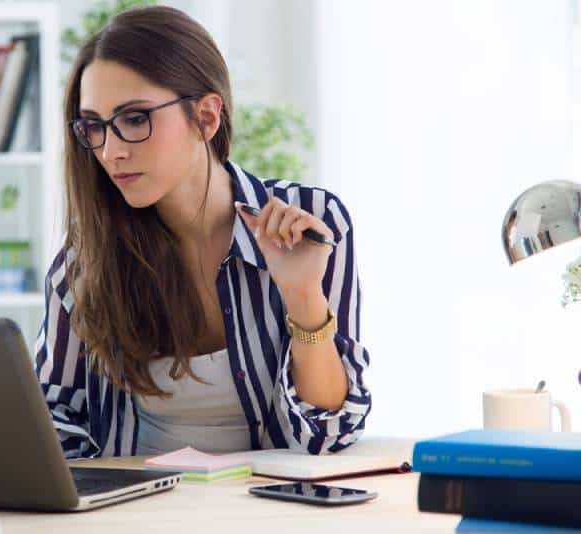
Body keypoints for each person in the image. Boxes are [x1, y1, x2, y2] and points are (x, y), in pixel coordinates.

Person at [34, 5, 371, 459]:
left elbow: (328, 434)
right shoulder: (85, 261)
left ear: (207, 118)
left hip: (269, 512)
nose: (110, 151)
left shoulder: (311, 220)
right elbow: (53, 418)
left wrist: (304, 295)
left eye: (135, 119)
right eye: (94, 127)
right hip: (136, 516)